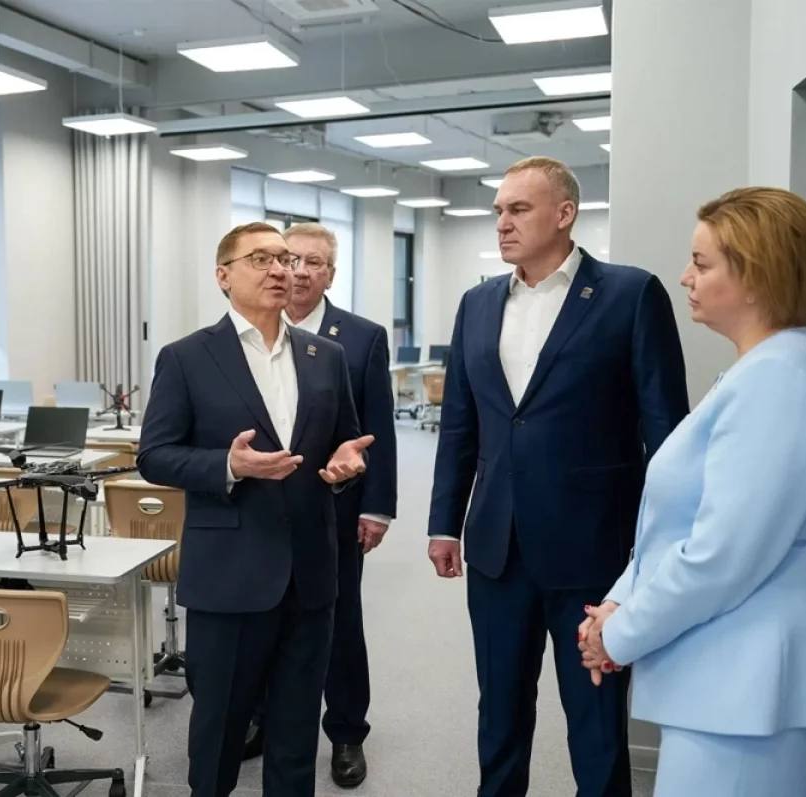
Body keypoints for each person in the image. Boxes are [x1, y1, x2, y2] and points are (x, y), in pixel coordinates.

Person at [579, 187, 806, 797]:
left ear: (757, 276)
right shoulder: (764, 369)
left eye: (702, 264)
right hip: (732, 680)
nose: (686, 277)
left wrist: (619, 635)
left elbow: (721, 555)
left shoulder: (781, 378)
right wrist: (618, 604)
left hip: (750, 685)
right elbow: (676, 522)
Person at [426, 156, 689, 796]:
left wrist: (658, 546)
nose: (502, 223)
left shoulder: (629, 294)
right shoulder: (478, 303)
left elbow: (667, 434)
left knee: (595, 719)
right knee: (500, 711)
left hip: (592, 549)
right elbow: (460, 423)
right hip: (497, 548)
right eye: (499, 210)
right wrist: (444, 524)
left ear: (564, 214)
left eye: (518, 209)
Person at [137, 221, 373, 797]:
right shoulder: (187, 357)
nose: (280, 270)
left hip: (311, 574)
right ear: (224, 276)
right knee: (219, 730)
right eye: (261, 259)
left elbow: (345, 442)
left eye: (286, 259)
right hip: (229, 574)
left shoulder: (325, 356)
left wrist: (346, 466)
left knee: (295, 733)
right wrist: (228, 465)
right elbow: (155, 455)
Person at [238, 222, 397, 788]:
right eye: (290, 259)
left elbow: (377, 430)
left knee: (339, 622)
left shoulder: (360, 338)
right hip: (260, 510)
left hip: (334, 509)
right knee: (264, 617)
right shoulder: (247, 331)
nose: (299, 271)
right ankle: (263, 718)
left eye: (314, 263)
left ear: (331, 274)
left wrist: (377, 508)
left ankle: (347, 731)